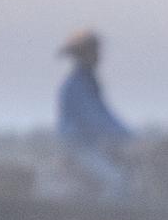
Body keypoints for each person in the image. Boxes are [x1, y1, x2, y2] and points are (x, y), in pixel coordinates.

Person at [56, 30, 134, 198]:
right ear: (84, 54)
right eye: (94, 51)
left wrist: (130, 136)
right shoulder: (76, 85)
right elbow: (94, 118)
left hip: (95, 146)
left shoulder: (89, 82)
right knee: (117, 181)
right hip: (80, 147)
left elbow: (106, 114)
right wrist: (126, 137)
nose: (99, 55)